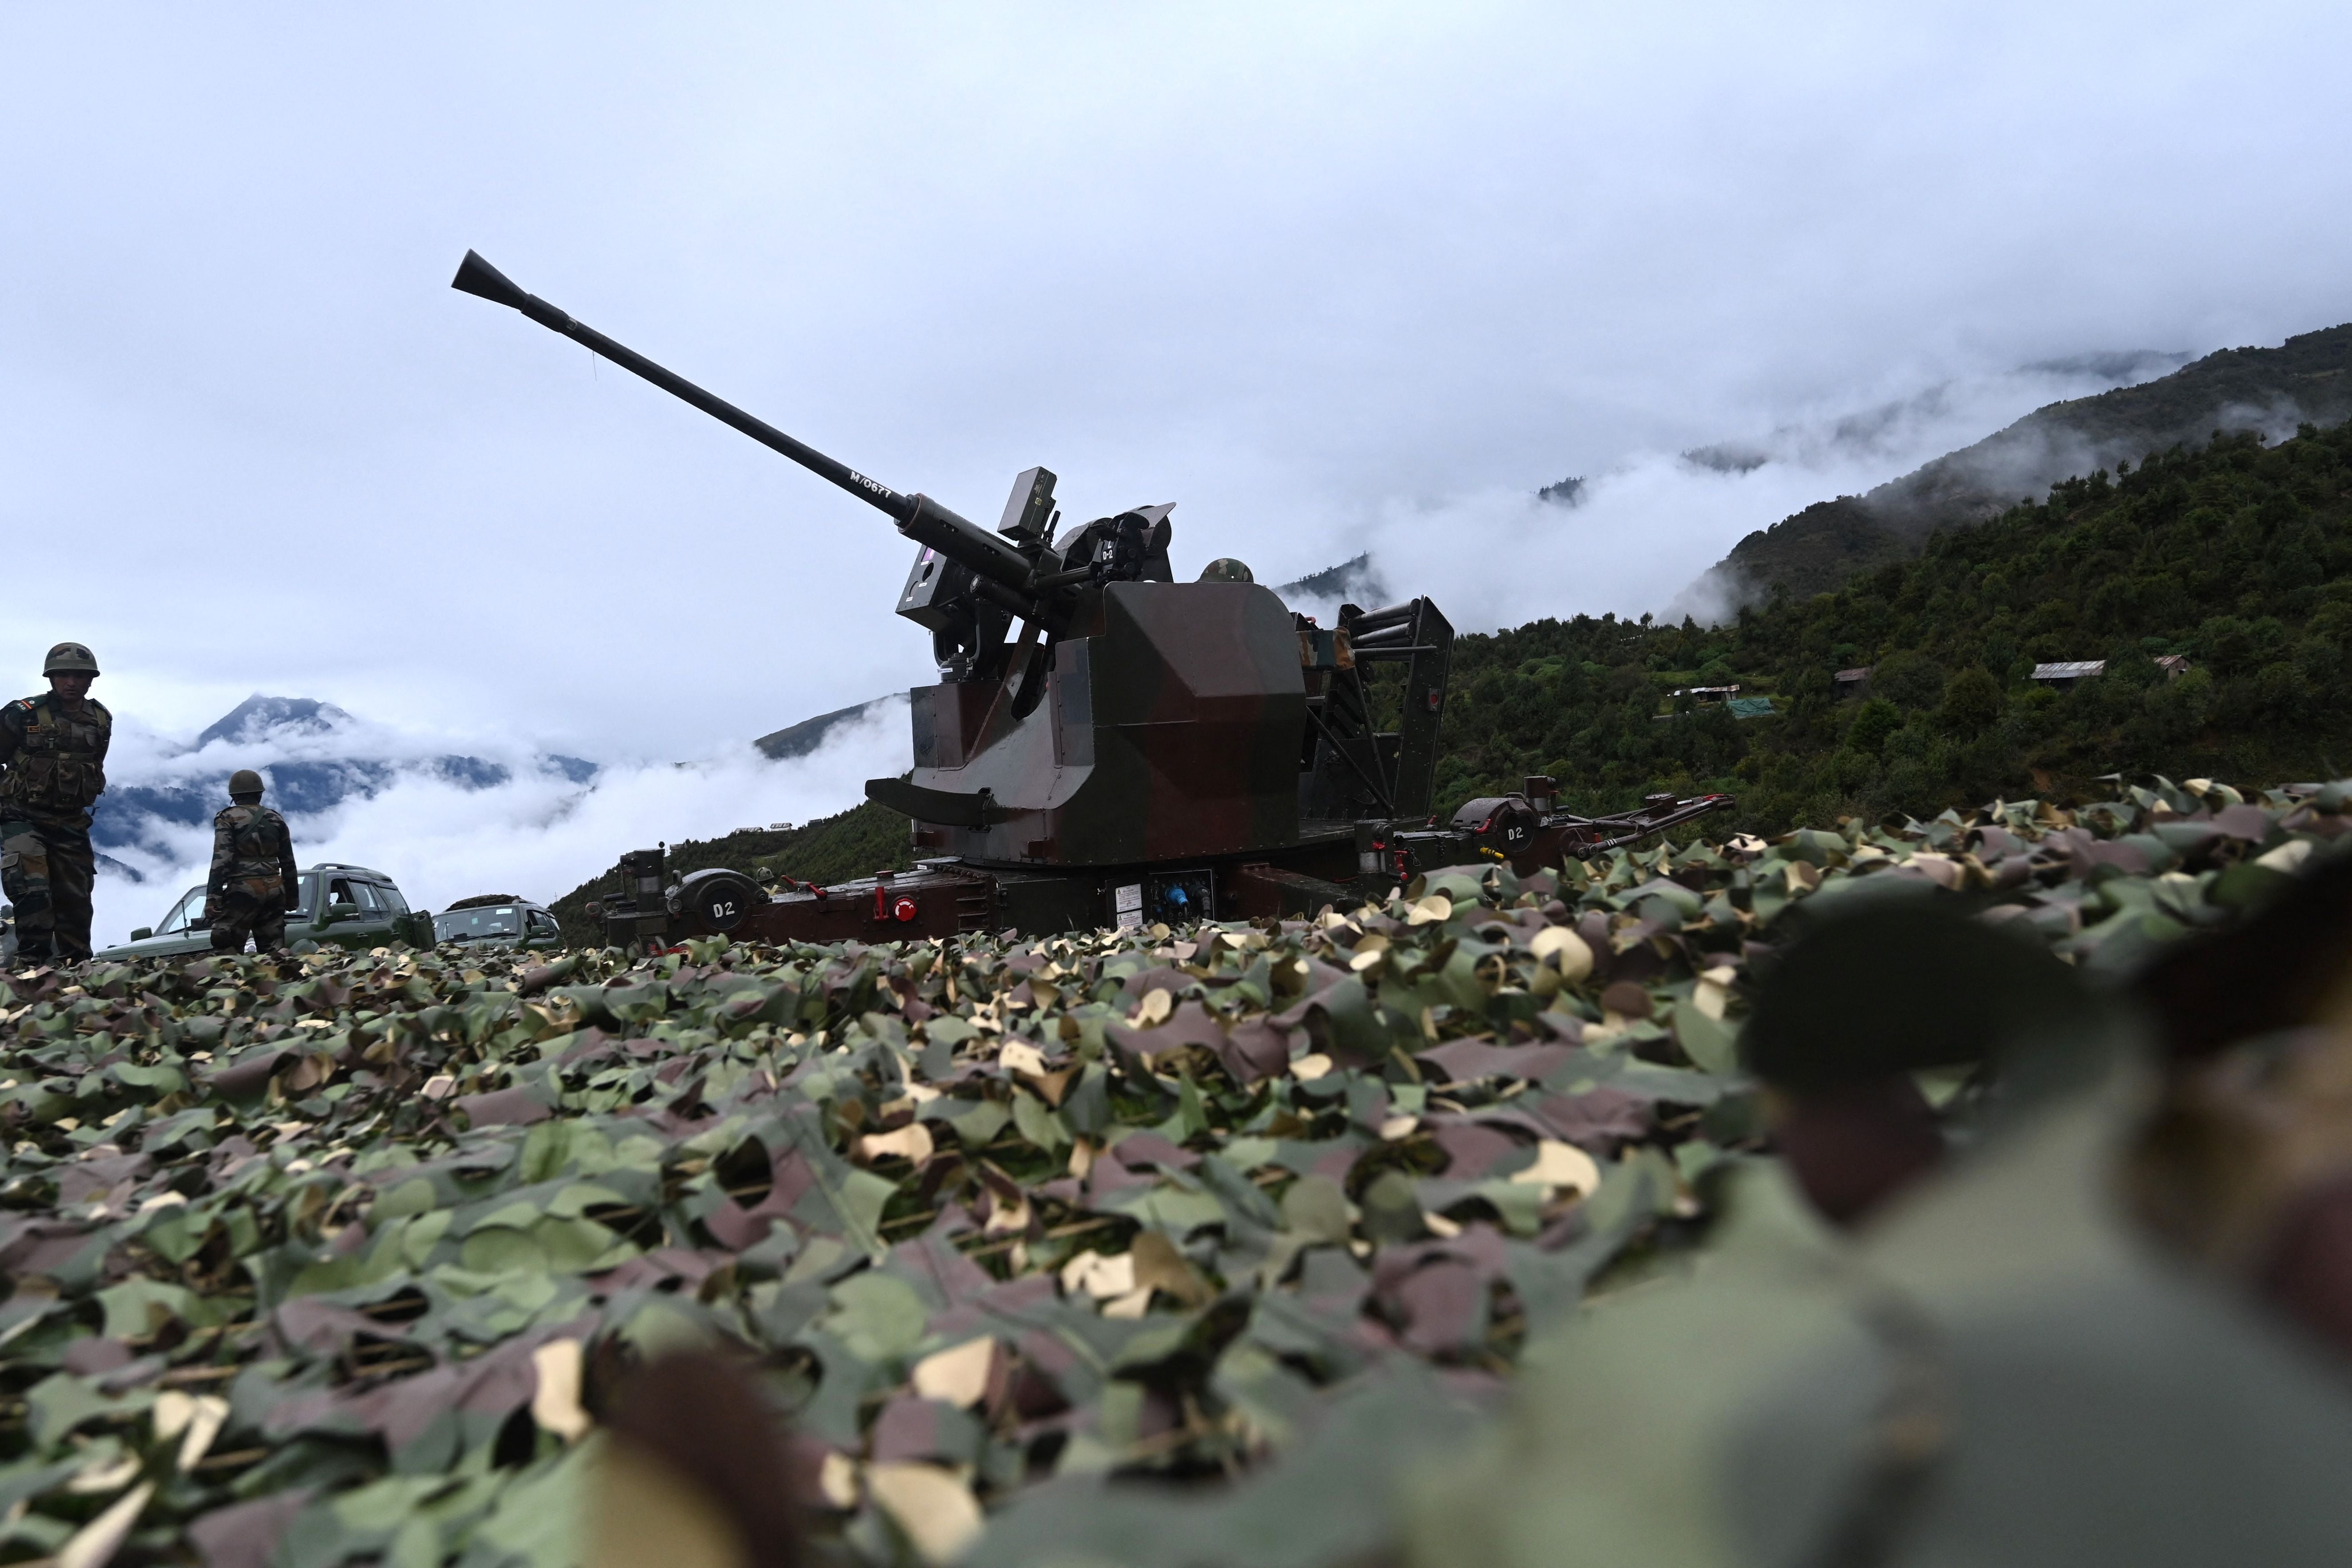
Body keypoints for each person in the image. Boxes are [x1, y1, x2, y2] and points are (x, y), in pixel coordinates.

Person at [0, 642, 110, 964]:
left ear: (91, 680)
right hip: (21, 815)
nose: (71, 682)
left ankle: (76, 970)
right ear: (51, 678)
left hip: (70, 820)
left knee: (76, 899)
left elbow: (95, 763)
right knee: (31, 888)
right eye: (63, 675)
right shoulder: (22, 714)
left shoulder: (100, 719)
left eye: (79, 676)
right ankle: (29, 968)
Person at [205, 768, 298, 953]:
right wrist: (292, 898)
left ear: (233, 795)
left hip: (243, 889)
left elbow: (222, 859)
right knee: (274, 952)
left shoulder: (227, 818)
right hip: (275, 888)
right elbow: (288, 862)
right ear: (260, 794)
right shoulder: (276, 818)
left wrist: (213, 898)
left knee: (226, 948)